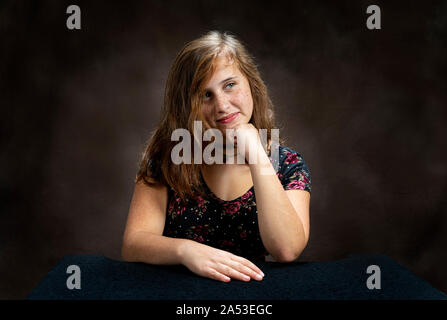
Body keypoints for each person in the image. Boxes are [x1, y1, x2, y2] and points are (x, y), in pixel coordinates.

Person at [121, 31, 311, 283]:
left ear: (251, 84)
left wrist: (256, 154)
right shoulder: (166, 158)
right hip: (175, 294)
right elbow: (133, 244)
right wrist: (186, 251)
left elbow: (286, 250)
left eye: (230, 85)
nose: (222, 105)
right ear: (186, 106)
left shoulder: (287, 164)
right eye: (205, 95)